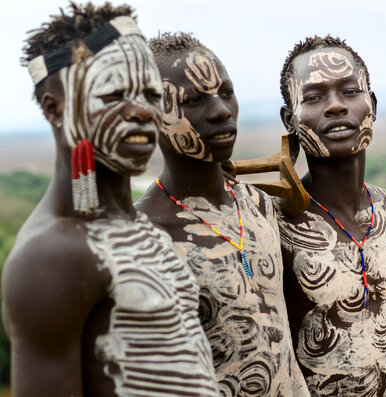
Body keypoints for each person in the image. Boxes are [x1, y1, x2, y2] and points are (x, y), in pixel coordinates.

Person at [1, 4, 219, 396]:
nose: (140, 110)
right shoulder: (52, 254)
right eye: (115, 93)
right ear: (55, 108)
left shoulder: (134, 225)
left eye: (151, 94)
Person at [277, 35, 386, 396]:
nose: (335, 106)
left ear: (371, 104)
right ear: (290, 119)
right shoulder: (273, 221)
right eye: (313, 97)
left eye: (349, 91)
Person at [135, 32, 309, 396]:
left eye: (226, 92)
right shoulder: (141, 239)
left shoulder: (258, 205)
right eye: (194, 100)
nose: (221, 111)